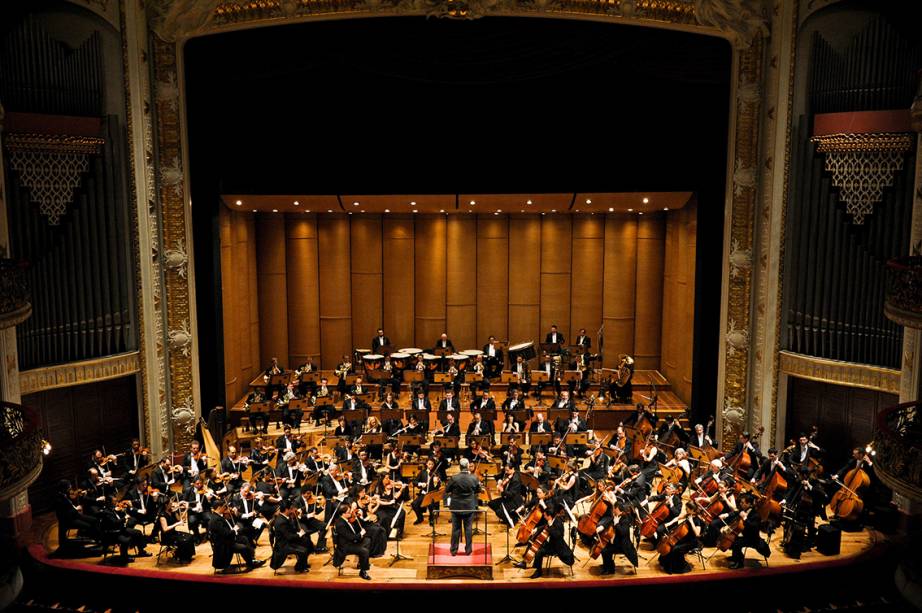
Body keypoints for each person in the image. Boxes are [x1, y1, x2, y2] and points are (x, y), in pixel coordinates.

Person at [208, 503, 264, 572]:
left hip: (228, 539)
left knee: (244, 539)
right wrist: (234, 530)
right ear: (219, 507)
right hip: (225, 544)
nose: (225, 509)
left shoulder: (219, 516)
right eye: (224, 507)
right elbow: (226, 534)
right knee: (243, 548)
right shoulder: (216, 519)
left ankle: (251, 561)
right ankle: (250, 563)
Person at [525, 502, 574, 578]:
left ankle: (538, 571)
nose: (544, 517)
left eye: (545, 516)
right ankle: (526, 561)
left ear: (549, 516)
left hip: (557, 547)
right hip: (551, 543)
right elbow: (545, 526)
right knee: (532, 542)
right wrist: (536, 529)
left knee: (539, 552)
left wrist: (551, 526)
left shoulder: (558, 523)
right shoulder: (552, 520)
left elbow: (557, 536)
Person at [446, 457, 481, 556]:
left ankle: (453, 550)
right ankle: (468, 550)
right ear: (467, 466)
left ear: (459, 467)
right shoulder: (474, 478)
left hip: (456, 507)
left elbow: (447, 490)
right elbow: (478, 490)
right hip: (469, 506)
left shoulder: (454, 478)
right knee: (468, 529)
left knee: (455, 529)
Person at [727, 493, 771, 569]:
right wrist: (727, 515)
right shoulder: (744, 510)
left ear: (749, 504)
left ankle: (739, 563)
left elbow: (753, 527)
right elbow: (736, 512)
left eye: (742, 503)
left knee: (737, 543)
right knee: (732, 539)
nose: (740, 504)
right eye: (740, 502)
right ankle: (735, 557)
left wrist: (745, 518)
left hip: (753, 539)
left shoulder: (756, 515)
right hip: (746, 535)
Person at [333, 503, 372, 580]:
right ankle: (363, 571)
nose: (351, 512)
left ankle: (362, 562)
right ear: (343, 514)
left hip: (350, 542)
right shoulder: (340, 524)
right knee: (364, 551)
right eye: (348, 512)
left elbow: (353, 531)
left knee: (367, 540)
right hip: (346, 546)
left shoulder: (345, 520)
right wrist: (361, 534)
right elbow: (351, 537)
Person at [271, 502, 311, 573]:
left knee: (307, 542)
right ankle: (298, 568)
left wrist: (298, 532)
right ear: (287, 510)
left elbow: (290, 530)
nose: (293, 510)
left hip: (288, 540)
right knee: (304, 551)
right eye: (291, 509)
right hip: (283, 545)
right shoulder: (281, 522)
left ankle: (303, 563)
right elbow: (289, 537)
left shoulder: (285, 517)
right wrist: (299, 535)